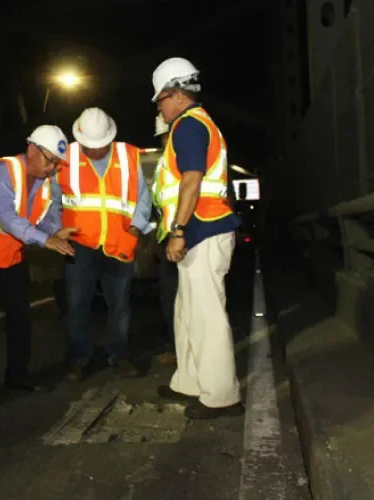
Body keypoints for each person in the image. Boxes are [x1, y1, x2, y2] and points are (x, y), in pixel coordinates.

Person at [150, 57, 245, 419]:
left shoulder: (188, 126)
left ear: (175, 94)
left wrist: (177, 231)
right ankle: (190, 382)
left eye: (160, 100)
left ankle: (222, 396)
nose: (159, 108)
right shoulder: (195, 125)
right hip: (202, 230)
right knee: (187, 312)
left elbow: (191, 181)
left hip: (203, 229)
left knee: (205, 314)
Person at [0, 125, 78, 405]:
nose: (52, 168)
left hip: (10, 254)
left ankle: (17, 375)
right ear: (32, 150)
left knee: (20, 318)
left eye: (56, 163)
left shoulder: (49, 181)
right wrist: (44, 240)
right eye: (49, 160)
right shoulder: (3, 171)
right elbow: (8, 219)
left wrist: (55, 232)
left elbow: (47, 215)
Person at [58, 107, 154, 381]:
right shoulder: (67, 156)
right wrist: (55, 230)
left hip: (119, 242)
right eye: (89, 146)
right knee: (77, 305)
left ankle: (120, 355)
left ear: (110, 138)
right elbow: (53, 197)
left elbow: (143, 196)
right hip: (78, 244)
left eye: (100, 146)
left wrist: (136, 227)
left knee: (120, 305)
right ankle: (78, 359)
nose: (94, 151)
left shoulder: (128, 155)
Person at [149, 114, 177, 366]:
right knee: (171, 299)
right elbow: (162, 208)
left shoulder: (183, 160)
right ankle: (178, 347)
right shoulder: (164, 164)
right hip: (170, 238)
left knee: (182, 300)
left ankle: (186, 351)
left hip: (184, 238)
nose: (165, 140)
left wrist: (178, 235)